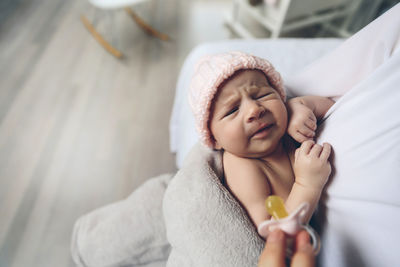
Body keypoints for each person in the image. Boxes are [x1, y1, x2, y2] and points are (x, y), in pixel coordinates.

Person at [189, 51, 334, 229]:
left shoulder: (284, 119)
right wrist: (308, 184)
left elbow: (335, 107)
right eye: (232, 110)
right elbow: (276, 235)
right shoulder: (242, 167)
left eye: (261, 96)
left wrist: (302, 106)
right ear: (214, 138)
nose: (254, 110)